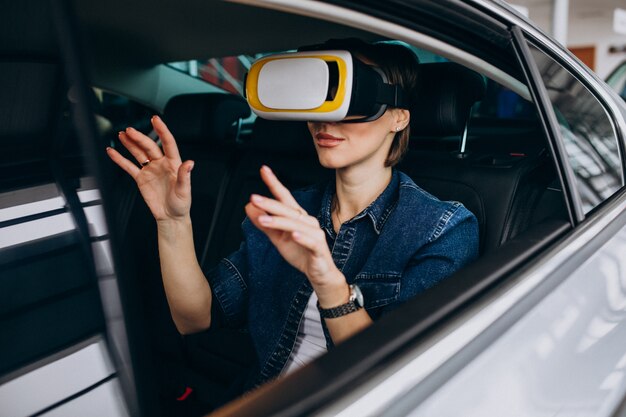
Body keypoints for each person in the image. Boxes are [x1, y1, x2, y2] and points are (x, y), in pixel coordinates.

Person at [106, 40, 479, 390]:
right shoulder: (288, 212)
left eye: (351, 99)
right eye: (316, 100)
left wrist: (328, 283)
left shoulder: (441, 229)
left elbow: (398, 376)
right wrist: (172, 222)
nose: (326, 120)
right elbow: (195, 318)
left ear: (398, 117)